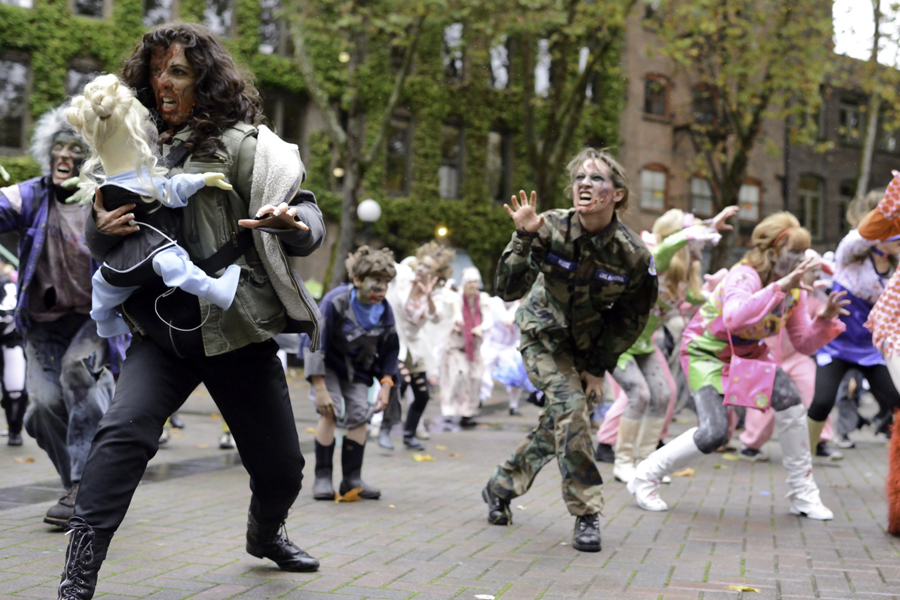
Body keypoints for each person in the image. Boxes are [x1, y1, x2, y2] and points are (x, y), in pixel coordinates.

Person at [55, 23, 326, 599]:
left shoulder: (247, 146)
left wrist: (295, 225)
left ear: (204, 79)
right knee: (121, 432)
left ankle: (266, 533)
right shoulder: (126, 142)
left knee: (281, 469)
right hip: (163, 336)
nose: (163, 83)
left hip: (237, 331)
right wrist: (101, 231)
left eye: (176, 71)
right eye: (155, 72)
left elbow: (304, 209)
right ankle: (78, 574)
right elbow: (101, 230)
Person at [482, 148, 658, 553]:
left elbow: (630, 319)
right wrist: (523, 236)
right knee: (572, 411)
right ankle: (586, 514)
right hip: (542, 336)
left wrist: (597, 368)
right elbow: (507, 289)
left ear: (616, 194)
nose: (585, 183)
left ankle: (500, 487)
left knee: (561, 422)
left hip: (584, 350)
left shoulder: (633, 255)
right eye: (580, 177)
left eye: (597, 178)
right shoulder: (550, 228)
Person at [629, 213, 848, 520]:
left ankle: (803, 494)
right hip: (707, 352)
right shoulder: (745, 275)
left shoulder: (795, 291)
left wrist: (824, 318)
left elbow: (803, 343)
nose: (802, 259)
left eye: (803, 252)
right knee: (715, 433)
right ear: (773, 253)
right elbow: (734, 317)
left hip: (749, 356)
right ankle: (644, 477)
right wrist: (780, 286)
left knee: (791, 403)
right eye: (794, 252)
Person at [0, 103, 117, 527]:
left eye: (75, 149)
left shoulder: (103, 197)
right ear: (48, 153)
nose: (65, 156)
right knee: (43, 409)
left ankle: (84, 488)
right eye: (58, 148)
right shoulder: (30, 195)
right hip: (41, 325)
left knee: (76, 374)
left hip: (92, 319)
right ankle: (85, 482)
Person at [65, 74, 242, 338]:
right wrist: (201, 180)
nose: (153, 123)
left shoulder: (114, 183)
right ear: (134, 134)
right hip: (141, 254)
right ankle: (105, 324)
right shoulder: (133, 182)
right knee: (107, 279)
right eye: (147, 119)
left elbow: (172, 188)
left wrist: (201, 178)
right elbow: (172, 190)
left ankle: (215, 291)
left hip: (143, 257)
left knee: (115, 278)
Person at [599, 206, 737, 483]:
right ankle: (622, 461)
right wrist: (707, 225)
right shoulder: (656, 263)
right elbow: (671, 243)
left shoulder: (684, 282)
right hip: (617, 341)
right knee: (640, 394)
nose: (701, 253)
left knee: (664, 394)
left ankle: (646, 463)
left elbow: (710, 304)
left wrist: (729, 285)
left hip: (644, 346)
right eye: (697, 247)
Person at [305, 246, 398, 501]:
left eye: (386, 283)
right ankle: (323, 477)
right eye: (376, 282)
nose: (381, 289)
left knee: (360, 412)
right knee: (329, 409)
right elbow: (316, 342)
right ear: (357, 279)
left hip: (358, 370)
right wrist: (319, 386)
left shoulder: (385, 311)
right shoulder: (336, 301)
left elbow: (390, 351)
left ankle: (351, 479)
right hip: (327, 366)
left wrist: (386, 385)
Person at [382, 243, 454, 449]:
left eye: (427, 268)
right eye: (420, 264)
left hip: (414, 347)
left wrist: (428, 296)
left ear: (436, 273)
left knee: (422, 393)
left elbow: (436, 315)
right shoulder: (404, 277)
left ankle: (409, 434)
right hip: (393, 342)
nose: (421, 269)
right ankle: (385, 429)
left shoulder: (437, 294)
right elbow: (387, 266)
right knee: (399, 383)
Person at [440, 267, 492, 426]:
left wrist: (481, 328)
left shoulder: (482, 298)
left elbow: (489, 319)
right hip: (456, 345)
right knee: (457, 377)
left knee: (475, 378)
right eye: (470, 282)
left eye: (475, 282)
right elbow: (448, 312)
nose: (473, 285)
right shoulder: (456, 297)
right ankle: (449, 411)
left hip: (474, 346)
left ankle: (468, 413)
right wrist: (453, 325)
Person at [480, 296, 534, 416]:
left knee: (516, 376)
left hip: (509, 347)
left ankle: (513, 406)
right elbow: (487, 319)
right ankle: (480, 398)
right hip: (492, 345)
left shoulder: (519, 306)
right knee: (481, 371)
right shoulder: (492, 303)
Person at [0, 263, 27, 446]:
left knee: (15, 388)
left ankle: (15, 430)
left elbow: (8, 313)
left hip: (9, 340)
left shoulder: (6, 283)